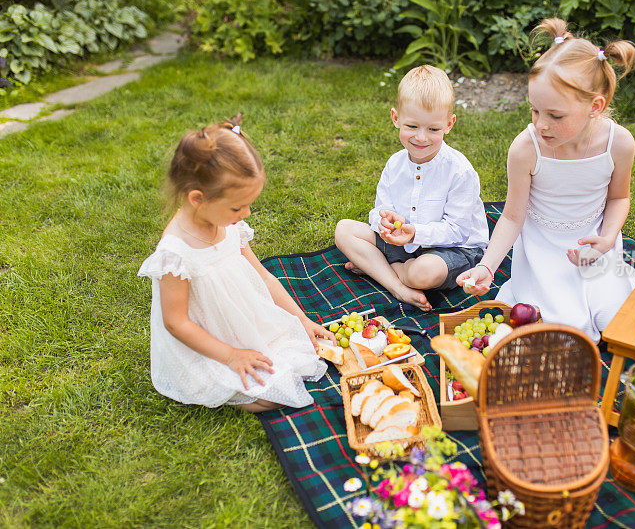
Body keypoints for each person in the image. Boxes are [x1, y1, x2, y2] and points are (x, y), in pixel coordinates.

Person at [457, 18, 635, 342]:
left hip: (594, 246)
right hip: (544, 252)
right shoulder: (526, 149)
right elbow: (513, 216)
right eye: (534, 110)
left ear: (594, 107)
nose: (541, 124)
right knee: (557, 328)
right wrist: (487, 267)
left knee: (618, 321)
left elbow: (618, 198)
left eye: (555, 115)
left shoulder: (619, 143)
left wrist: (608, 238)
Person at [137, 114, 332, 413]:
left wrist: (301, 320)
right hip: (207, 343)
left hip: (243, 319)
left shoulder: (230, 225)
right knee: (269, 396)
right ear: (198, 199)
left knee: (307, 357)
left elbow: (264, 278)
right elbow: (176, 323)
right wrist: (230, 356)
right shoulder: (176, 253)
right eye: (238, 206)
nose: (248, 213)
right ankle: (228, 375)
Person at [335, 65, 489, 312]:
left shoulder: (459, 170)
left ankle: (382, 268)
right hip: (405, 243)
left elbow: (458, 231)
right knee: (344, 229)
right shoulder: (395, 164)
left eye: (433, 129)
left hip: (453, 250)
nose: (421, 137)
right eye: (412, 126)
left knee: (423, 273)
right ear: (396, 118)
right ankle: (397, 286)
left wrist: (415, 232)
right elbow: (379, 210)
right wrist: (384, 220)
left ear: (449, 124)